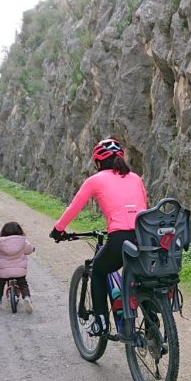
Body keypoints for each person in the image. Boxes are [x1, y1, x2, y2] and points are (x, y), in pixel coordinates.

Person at [51, 138, 147, 338]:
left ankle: (101, 322)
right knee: (141, 278)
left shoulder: (95, 180)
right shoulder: (136, 178)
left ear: (97, 162)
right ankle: (152, 329)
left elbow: (74, 207)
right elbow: (142, 207)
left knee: (98, 270)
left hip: (120, 239)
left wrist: (58, 229)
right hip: (145, 237)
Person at [0, 221, 35, 313]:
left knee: (0, 283)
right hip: (19, 271)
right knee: (23, 284)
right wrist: (33, 249)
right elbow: (29, 250)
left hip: (4, 272)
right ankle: (26, 297)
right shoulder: (23, 241)